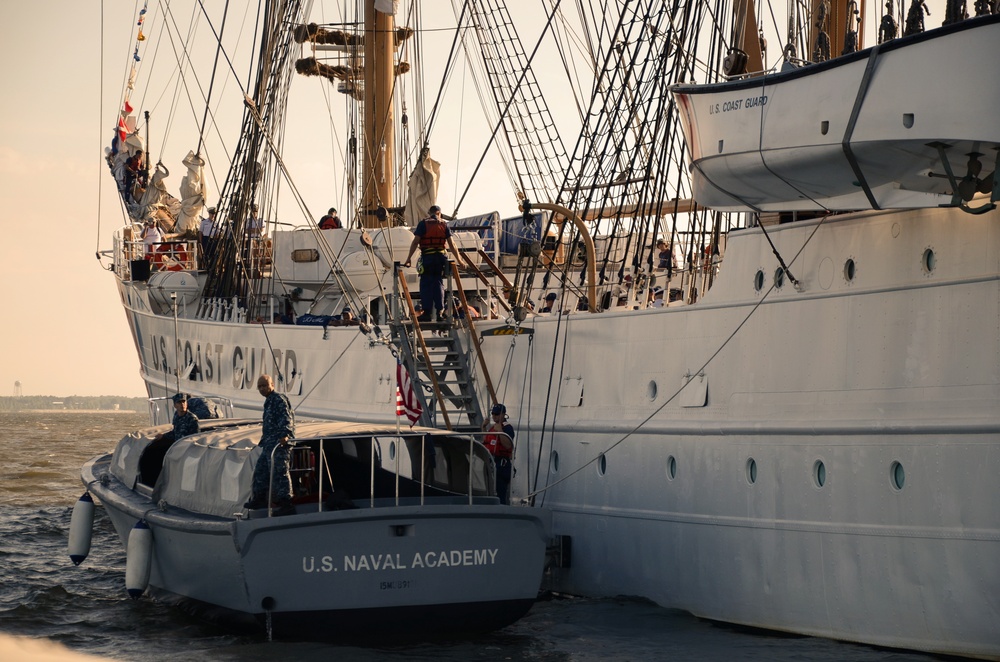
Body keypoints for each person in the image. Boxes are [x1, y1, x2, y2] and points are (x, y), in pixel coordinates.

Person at [245, 374, 296, 512]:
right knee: (261, 471)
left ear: (272, 385)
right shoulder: (268, 401)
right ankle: (259, 499)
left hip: (279, 443)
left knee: (280, 472)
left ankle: (286, 503)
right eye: (259, 386)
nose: (262, 388)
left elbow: (286, 417)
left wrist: (285, 435)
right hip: (269, 443)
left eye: (265, 385)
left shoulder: (278, 399)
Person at [404, 205, 458, 322]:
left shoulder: (423, 224)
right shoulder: (444, 224)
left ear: (429, 213)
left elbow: (415, 242)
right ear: (440, 213)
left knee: (426, 285)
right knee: (438, 283)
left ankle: (427, 312)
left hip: (427, 257)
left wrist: (408, 258)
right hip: (440, 258)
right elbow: (452, 244)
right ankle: (440, 312)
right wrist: (460, 260)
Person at [482, 404, 515, 505]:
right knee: (490, 491)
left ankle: (502, 509)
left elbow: (508, 445)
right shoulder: (493, 428)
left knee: (500, 492)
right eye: (493, 414)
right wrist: (483, 427)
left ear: (504, 414)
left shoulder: (507, 428)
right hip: (492, 463)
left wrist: (500, 431)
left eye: (497, 414)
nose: (494, 416)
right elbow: (486, 440)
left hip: (502, 465)